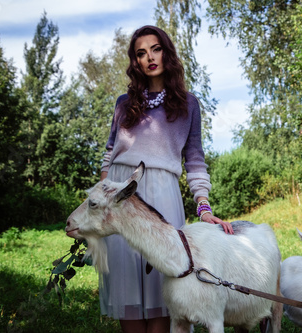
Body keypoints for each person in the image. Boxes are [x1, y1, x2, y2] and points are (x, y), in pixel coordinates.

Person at [99, 25, 234, 333]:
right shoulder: (123, 103)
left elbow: (195, 160)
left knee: (163, 278)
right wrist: (104, 196)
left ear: (167, 52)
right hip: (120, 194)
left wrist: (204, 207)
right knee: (126, 277)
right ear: (135, 62)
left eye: (156, 49)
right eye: (141, 53)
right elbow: (109, 154)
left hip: (163, 194)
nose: (150, 58)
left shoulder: (188, 105)